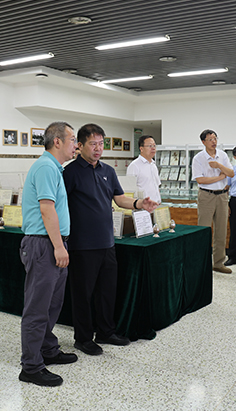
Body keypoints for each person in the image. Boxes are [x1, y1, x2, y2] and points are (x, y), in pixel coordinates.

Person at [64, 124, 158, 356]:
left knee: (107, 291)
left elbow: (119, 198)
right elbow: (60, 205)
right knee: (83, 294)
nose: (98, 149)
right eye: (93, 144)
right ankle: (83, 338)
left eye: (101, 144)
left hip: (107, 242)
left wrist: (139, 204)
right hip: (82, 245)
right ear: (80, 145)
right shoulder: (70, 172)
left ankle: (106, 331)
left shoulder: (107, 170)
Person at [18, 122, 78, 387]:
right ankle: (31, 366)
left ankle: (47, 349)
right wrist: (58, 246)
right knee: (37, 307)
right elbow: (46, 209)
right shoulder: (45, 167)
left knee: (52, 304)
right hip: (44, 245)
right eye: (72, 139)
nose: (76, 145)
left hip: (51, 243)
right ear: (57, 142)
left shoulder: (54, 168)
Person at [191, 129, 234, 274]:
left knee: (221, 230)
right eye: (210, 139)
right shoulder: (198, 158)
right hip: (206, 196)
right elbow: (200, 180)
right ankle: (201, 263)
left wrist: (219, 166)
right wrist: (220, 177)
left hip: (222, 196)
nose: (214, 141)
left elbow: (231, 173)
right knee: (203, 230)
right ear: (203, 142)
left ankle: (218, 263)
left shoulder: (222, 155)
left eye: (215, 138)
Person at [126, 135, 161, 204]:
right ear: (141, 149)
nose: (153, 148)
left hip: (156, 205)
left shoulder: (153, 165)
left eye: (154, 146)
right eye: (150, 146)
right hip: (143, 206)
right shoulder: (134, 166)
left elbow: (156, 186)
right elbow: (130, 191)